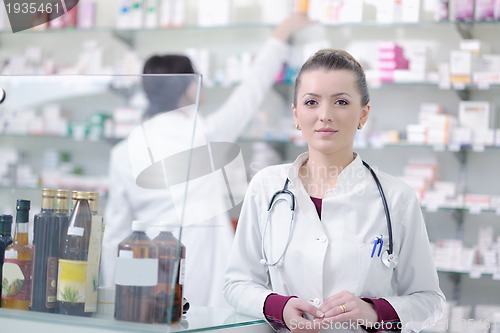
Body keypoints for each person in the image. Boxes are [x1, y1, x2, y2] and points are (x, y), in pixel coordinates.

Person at [223, 49, 446, 332]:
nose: (324, 115)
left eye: (341, 101)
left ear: (363, 114)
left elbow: (430, 301)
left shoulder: (396, 197)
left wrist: (374, 312)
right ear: (296, 114)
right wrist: (277, 306)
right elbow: (236, 284)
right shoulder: (266, 187)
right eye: (311, 102)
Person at [100, 13, 311, 308]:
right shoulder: (203, 133)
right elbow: (251, 91)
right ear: (188, 87)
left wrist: (111, 298)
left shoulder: (124, 150)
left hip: (143, 272)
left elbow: (116, 234)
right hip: (199, 266)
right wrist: (280, 35)